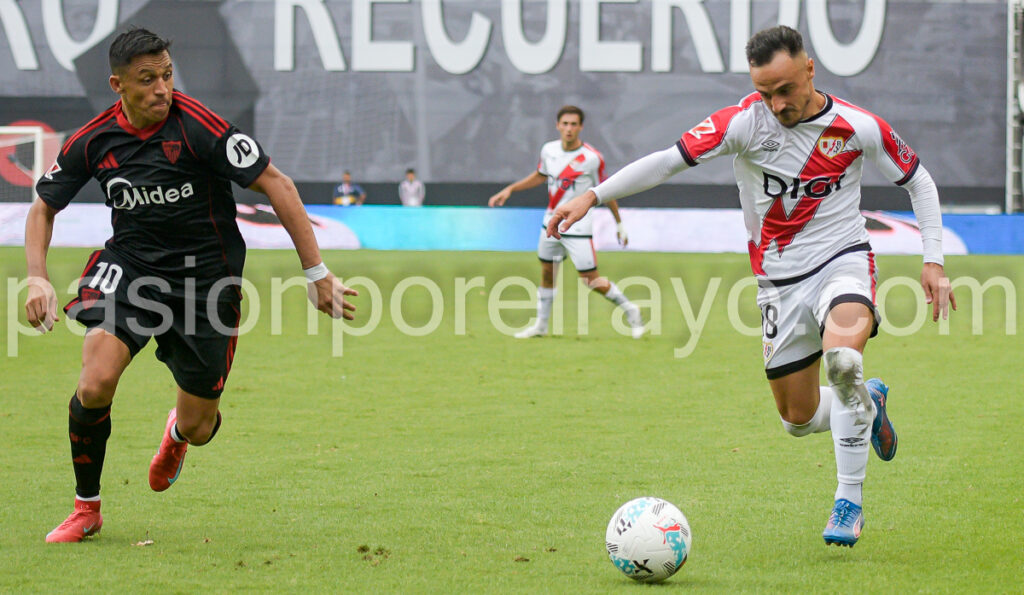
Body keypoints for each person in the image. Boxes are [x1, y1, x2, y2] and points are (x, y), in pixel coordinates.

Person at [547, 26, 956, 547]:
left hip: (842, 263)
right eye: (765, 92)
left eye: (785, 89)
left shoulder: (857, 127)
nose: (777, 104)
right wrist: (594, 197)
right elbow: (667, 160)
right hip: (777, 285)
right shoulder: (743, 123)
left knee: (844, 361)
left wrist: (934, 260)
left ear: (810, 69)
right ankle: (866, 404)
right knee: (798, 419)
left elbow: (917, 179)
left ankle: (848, 500)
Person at [24, 27, 357, 543]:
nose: (162, 89)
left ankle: (177, 434)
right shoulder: (92, 141)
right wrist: (37, 279)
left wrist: (317, 274)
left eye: (167, 75)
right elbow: (44, 205)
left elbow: (277, 184)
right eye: (147, 79)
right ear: (118, 85)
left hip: (207, 281)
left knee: (201, 427)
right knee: (94, 383)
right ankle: (86, 508)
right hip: (131, 269)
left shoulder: (200, 126)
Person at [488, 105, 644, 339]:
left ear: (580, 127)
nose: (569, 128)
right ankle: (541, 325)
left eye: (574, 124)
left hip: (578, 227)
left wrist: (619, 223)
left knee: (590, 280)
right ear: (557, 125)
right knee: (547, 273)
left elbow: (606, 190)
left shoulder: (592, 158)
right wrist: (510, 189)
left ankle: (631, 310)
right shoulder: (548, 150)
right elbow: (540, 175)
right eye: (565, 124)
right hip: (550, 223)